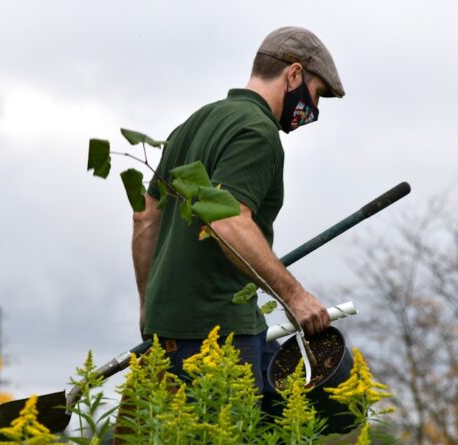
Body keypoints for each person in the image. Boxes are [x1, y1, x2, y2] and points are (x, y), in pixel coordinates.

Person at [131, 26, 345, 392]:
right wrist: (296, 297)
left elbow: (146, 217)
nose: (315, 109)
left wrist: (150, 305)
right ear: (294, 74)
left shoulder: (193, 124)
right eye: (317, 94)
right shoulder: (257, 132)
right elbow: (229, 220)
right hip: (221, 334)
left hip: (168, 333)